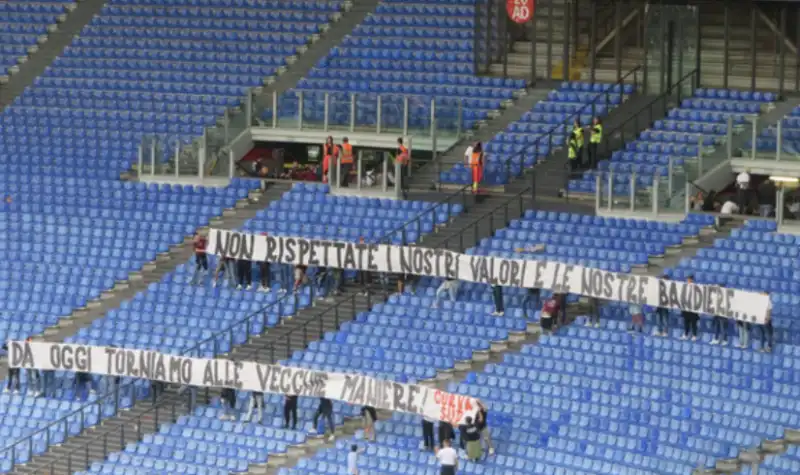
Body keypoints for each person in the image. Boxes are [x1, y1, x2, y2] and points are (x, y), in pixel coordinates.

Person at [681, 277, 699, 341]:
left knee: (693, 324)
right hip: (686, 310)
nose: (688, 281)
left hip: (693, 310)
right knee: (686, 323)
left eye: (689, 280)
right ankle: (686, 334)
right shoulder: (684, 287)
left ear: (692, 280)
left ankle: (694, 335)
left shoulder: (696, 288)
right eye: (687, 280)